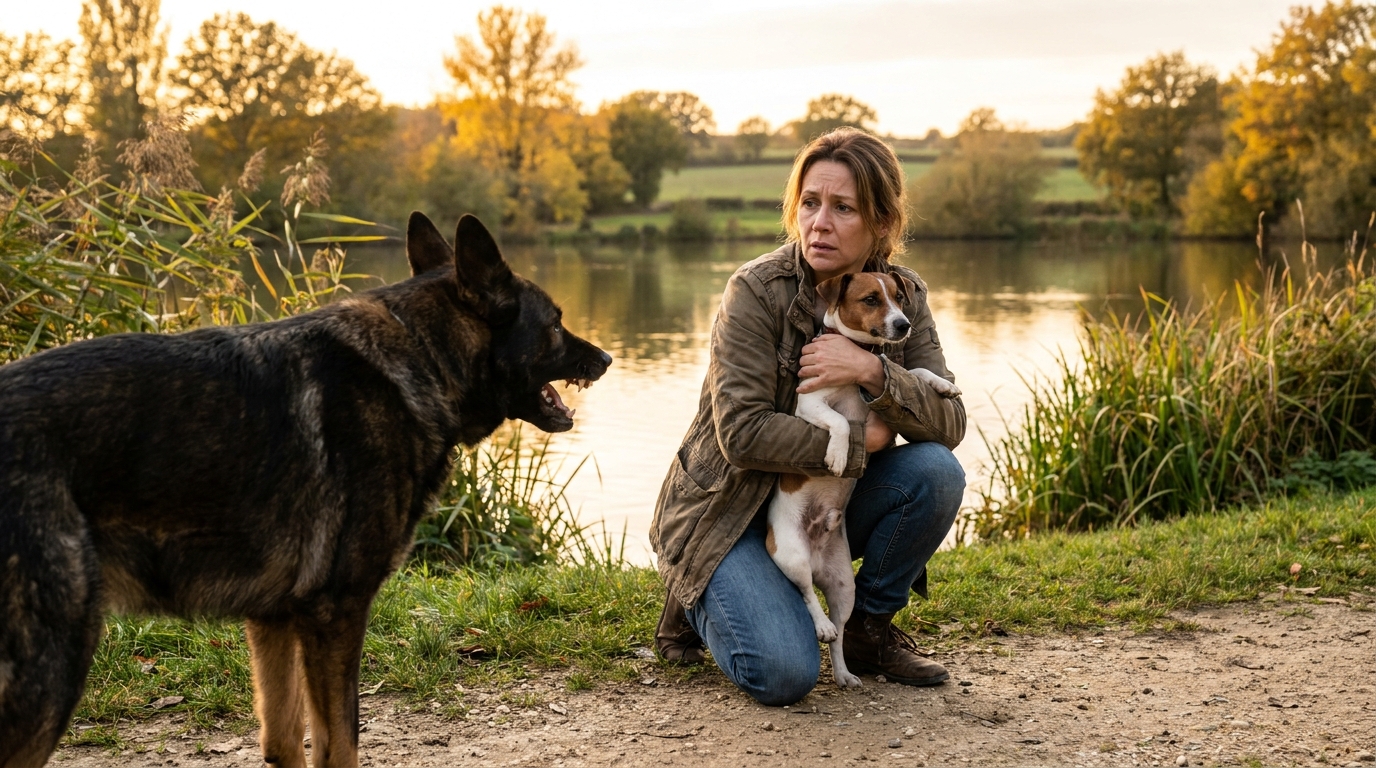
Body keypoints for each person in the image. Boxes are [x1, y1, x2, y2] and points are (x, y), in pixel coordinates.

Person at [649, 127, 967, 706]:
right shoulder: (755, 290)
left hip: (820, 502)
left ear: (881, 223)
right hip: (728, 512)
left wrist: (871, 372)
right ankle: (697, 591)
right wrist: (861, 438)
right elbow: (742, 435)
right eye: (810, 202)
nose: (819, 221)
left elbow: (949, 426)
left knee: (936, 473)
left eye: (842, 207)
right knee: (786, 673)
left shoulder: (902, 296)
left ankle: (867, 630)